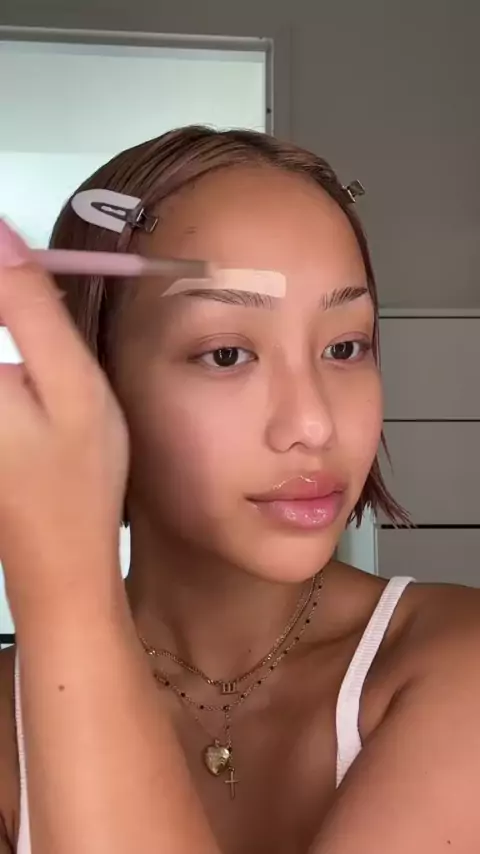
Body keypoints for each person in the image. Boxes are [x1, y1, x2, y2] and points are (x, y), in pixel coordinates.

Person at [0, 125, 479, 854]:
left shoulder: (454, 661)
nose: (313, 423)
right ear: (91, 377)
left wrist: (67, 586)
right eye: (226, 354)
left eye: (345, 347)